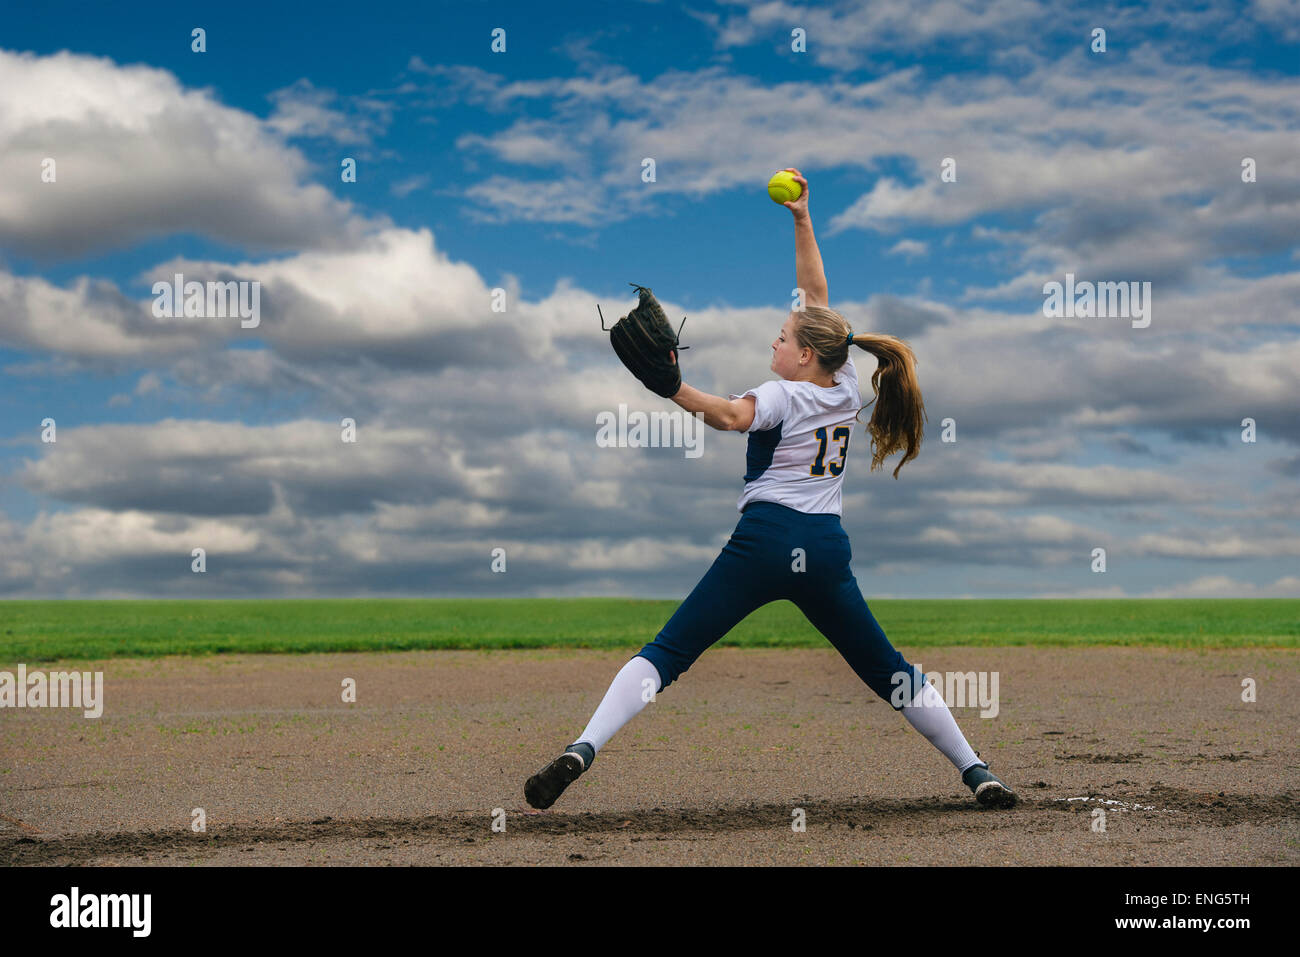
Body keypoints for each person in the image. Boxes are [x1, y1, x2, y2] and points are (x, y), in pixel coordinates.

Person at [525, 169, 1016, 811]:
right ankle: (976, 770)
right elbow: (817, 296)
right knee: (888, 670)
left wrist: (670, 389)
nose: (775, 341)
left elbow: (730, 417)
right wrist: (802, 216)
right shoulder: (841, 385)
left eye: (782, 338)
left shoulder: (784, 393)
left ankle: (580, 750)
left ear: (805, 356)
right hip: (826, 552)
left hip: (764, 543)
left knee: (669, 652)